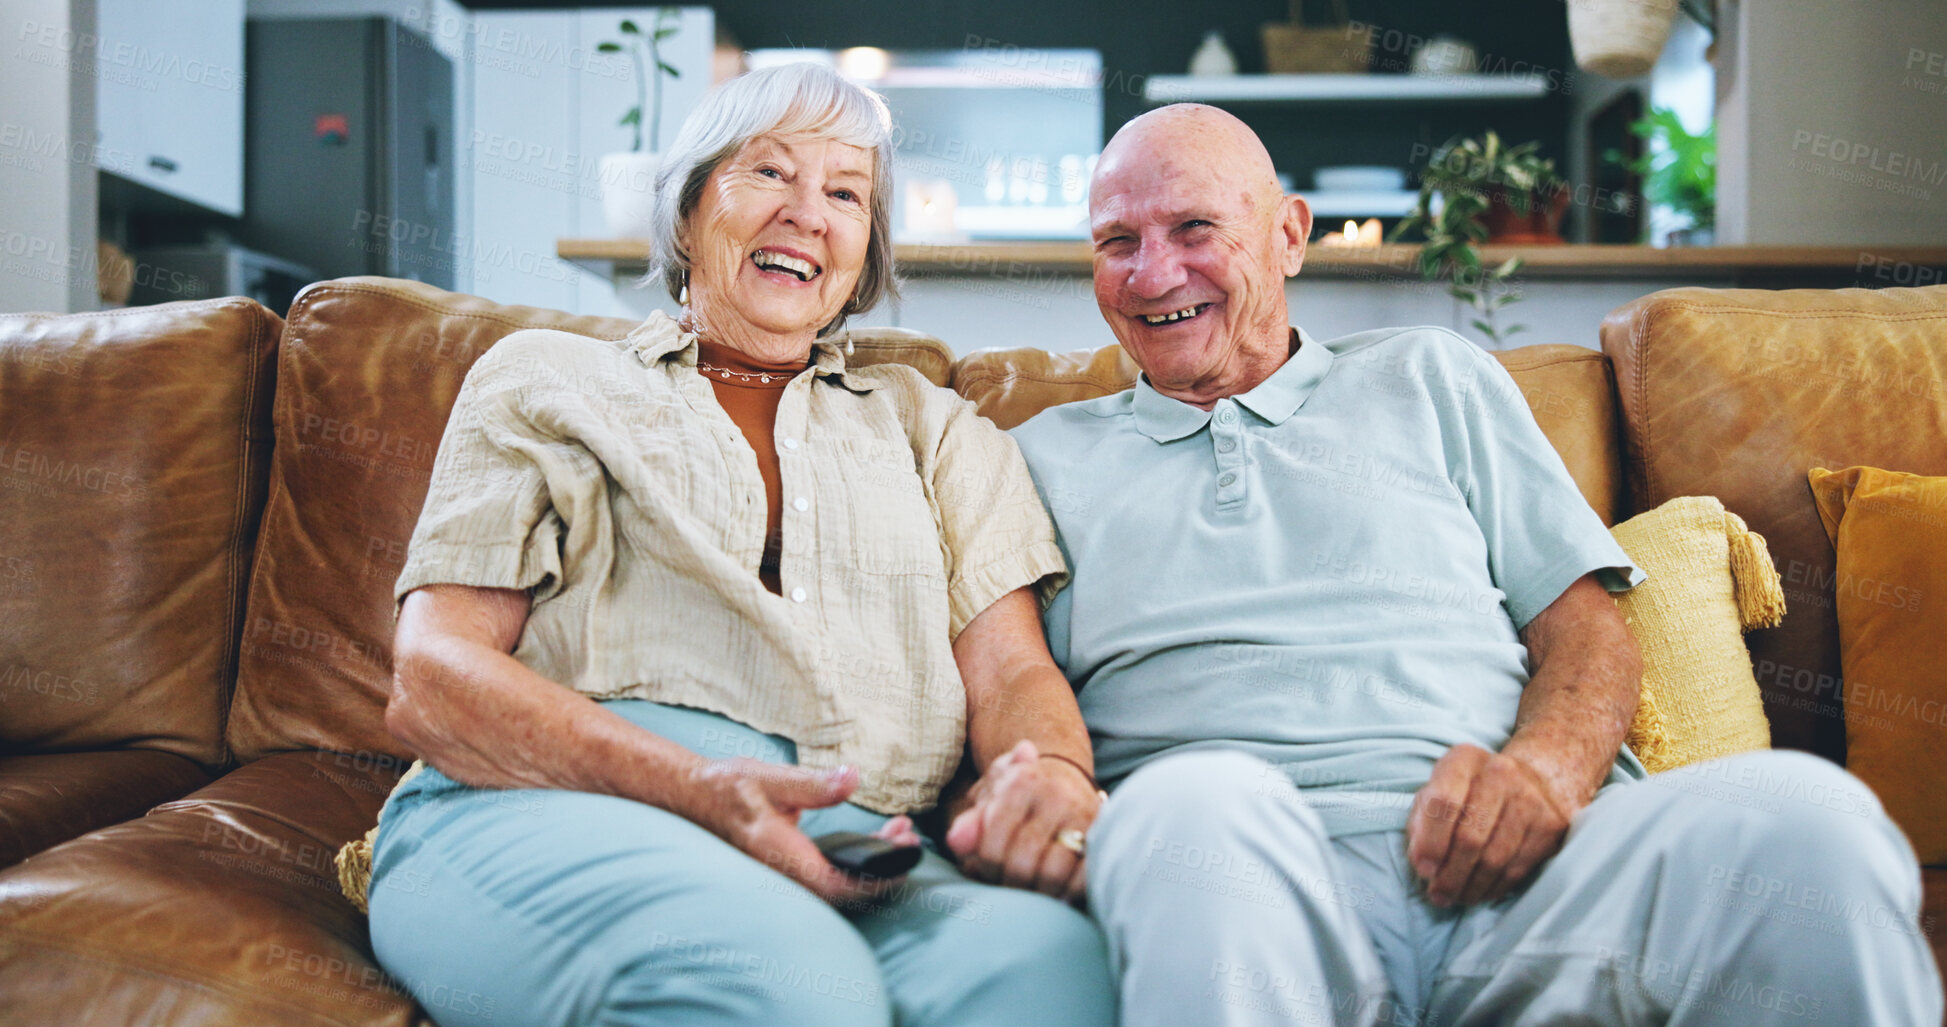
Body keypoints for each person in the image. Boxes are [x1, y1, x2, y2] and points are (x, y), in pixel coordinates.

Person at [996, 103, 1944, 1026]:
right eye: (1117, 242)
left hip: (1524, 877)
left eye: (1195, 227)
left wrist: (1538, 777)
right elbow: (1001, 685)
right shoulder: (1034, 457)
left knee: (1810, 823)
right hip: (1237, 886)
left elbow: (1585, 632)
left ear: (1289, 234)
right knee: (1192, 803)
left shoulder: (1431, 377)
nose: (1154, 272)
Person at [353, 64, 1114, 1027]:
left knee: (1047, 964)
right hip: (561, 795)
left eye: (845, 194)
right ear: (685, 216)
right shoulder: (549, 379)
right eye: (768, 173)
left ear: (863, 249)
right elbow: (433, 675)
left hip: (850, 841)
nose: (808, 213)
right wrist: (704, 788)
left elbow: (1010, 673)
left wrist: (1052, 772)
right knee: (789, 989)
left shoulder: (935, 429)